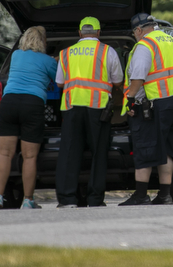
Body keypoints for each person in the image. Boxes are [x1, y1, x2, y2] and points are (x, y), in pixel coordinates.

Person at [119, 12, 173, 206]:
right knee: (167, 150)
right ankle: (165, 195)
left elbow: (138, 77)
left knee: (145, 146)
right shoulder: (172, 41)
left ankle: (141, 195)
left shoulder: (145, 45)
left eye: (134, 33)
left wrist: (130, 100)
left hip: (157, 102)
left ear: (138, 30)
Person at [54, 16, 124, 208]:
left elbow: (59, 83)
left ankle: (67, 199)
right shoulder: (107, 51)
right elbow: (118, 81)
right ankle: (95, 199)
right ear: (98, 32)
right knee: (98, 153)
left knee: (69, 152)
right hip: (98, 108)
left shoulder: (66, 53)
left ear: (79, 33)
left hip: (71, 107)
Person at [0, 25, 57, 210]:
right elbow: (59, 80)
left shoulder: (16, 55)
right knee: (29, 157)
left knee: (5, 154)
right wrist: (55, 62)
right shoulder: (47, 61)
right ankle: (28, 200)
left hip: (9, 102)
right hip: (32, 104)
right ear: (43, 41)